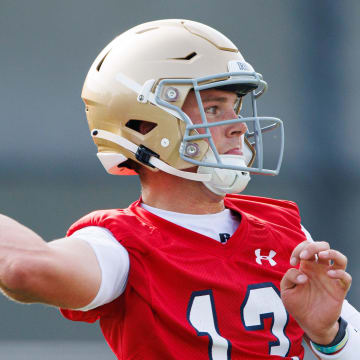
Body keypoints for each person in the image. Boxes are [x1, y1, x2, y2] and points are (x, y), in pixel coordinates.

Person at [0, 19, 359, 360]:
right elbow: (24, 269)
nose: (238, 127)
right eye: (215, 107)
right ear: (145, 124)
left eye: (234, 107)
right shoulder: (121, 247)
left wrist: (330, 336)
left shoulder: (284, 229)